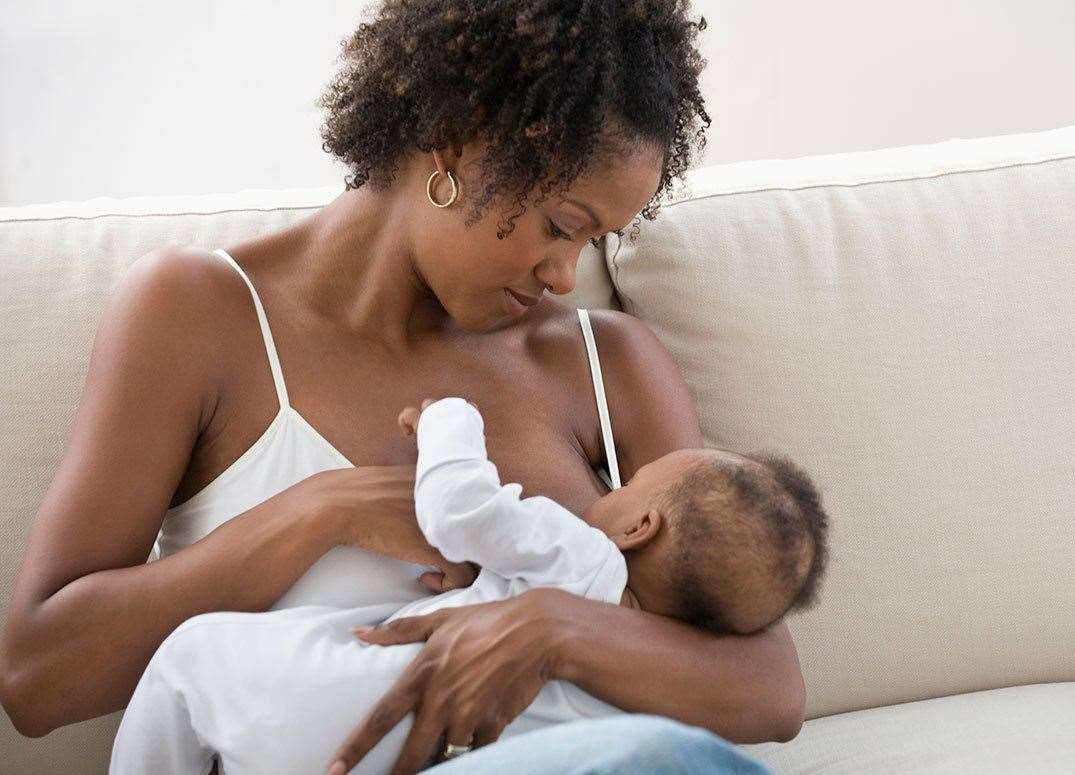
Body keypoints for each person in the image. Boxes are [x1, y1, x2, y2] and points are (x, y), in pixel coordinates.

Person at [1, 2, 810, 772]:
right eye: (561, 226)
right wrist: (322, 512)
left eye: (595, 239)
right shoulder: (198, 312)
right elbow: (37, 676)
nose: (567, 272)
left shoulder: (607, 363)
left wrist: (550, 628)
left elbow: (770, 689)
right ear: (455, 144)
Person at [108, 396, 829, 774]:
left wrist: (450, 423)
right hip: (389, 752)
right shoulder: (648, 680)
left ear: (639, 525)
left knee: (189, 658)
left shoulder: (585, 553)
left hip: (308, 711)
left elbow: (457, 510)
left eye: (626, 481)